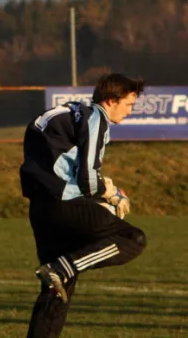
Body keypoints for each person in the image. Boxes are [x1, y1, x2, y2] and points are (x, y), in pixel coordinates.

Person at [20, 73, 148, 338]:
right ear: (111, 100)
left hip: (40, 209)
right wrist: (111, 193)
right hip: (64, 203)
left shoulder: (70, 112)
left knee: (56, 292)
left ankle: (60, 271)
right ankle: (62, 266)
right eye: (128, 104)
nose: (130, 111)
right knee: (132, 239)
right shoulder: (95, 117)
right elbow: (88, 180)